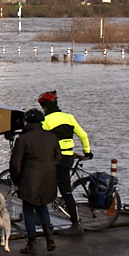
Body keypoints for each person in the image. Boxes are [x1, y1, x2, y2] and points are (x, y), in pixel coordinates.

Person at [37, 90, 92, 233]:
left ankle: (75, 224)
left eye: (43, 106)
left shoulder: (46, 121)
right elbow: (83, 135)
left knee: (55, 187)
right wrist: (87, 151)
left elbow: (41, 140)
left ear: (46, 106)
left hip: (55, 158)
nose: (42, 109)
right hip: (68, 157)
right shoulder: (69, 117)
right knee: (64, 188)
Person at [11, 109, 60, 253]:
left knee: (28, 210)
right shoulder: (52, 137)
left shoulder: (23, 139)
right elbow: (58, 157)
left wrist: (16, 179)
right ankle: (49, 238)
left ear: (27, 121)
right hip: (48, 179)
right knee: (42, 206)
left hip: (29, 179)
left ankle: (31, 243)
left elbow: (15, 164)